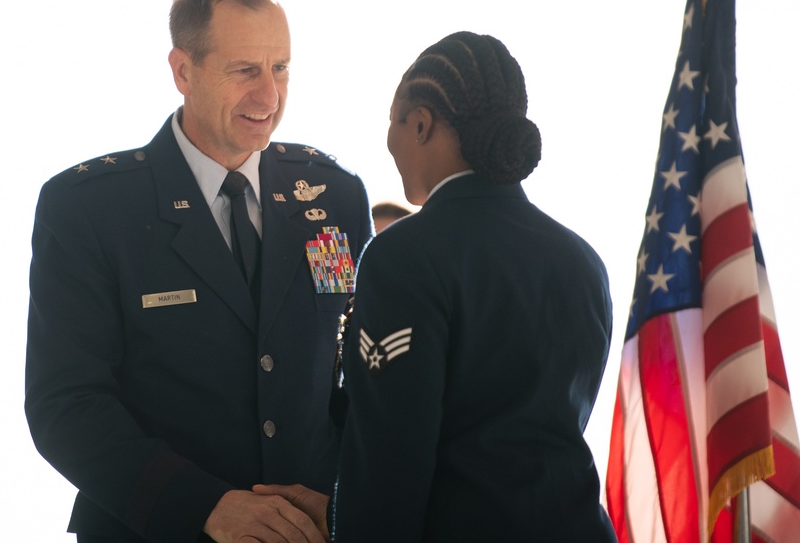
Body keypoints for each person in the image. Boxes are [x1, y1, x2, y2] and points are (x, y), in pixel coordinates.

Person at [24, 0, 372, 543]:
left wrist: (338, 495)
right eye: (244, 71)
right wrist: (204, 507)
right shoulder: (90, 208)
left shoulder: (332, 196)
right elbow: (66, 404)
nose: (269, 95)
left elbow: (357, 377)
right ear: (183, 71)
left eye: (280, 68)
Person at [261, 31, 617, 541]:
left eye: (393, 122)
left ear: (421, 123)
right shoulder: (582, 260)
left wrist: (346, 522)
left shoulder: (402, 256)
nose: (389, 140)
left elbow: (390, 459)